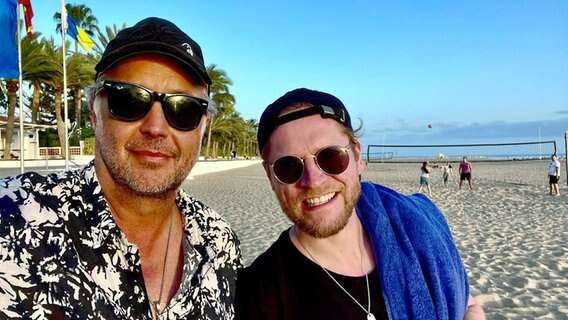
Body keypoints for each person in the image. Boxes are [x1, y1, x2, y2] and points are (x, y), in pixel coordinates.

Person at [0, 17, 241, 319]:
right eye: (128, 100)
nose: (156, 128)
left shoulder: (219, 242)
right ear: (94, 111)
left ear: (203, 126)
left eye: (183, 108)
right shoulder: (13, 217)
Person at [234, 88, 485, 319]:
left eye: (330, 157)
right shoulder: (259, 296)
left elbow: (468, 304)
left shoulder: (415, 230)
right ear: (270, 176)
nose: (313, 181)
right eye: (288, 166)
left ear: (356, 156)